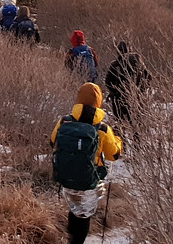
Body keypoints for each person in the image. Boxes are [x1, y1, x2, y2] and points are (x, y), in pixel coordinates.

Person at [50, 82, 123, 244]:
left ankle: (72, 238)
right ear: (99, 102)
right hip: (90, 179)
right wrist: (118, 139)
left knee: (75, 209)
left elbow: (52, 142)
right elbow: (113, 156)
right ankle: (76, 241)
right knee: (84, 215)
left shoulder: (64, 121)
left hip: (66, 176)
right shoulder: (103, 129)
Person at [104, 41, 152, 124]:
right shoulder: (138, 62)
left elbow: (108, 82)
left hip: (119, 100)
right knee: (137, 125)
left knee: (120, 125)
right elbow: (148, 77)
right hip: (137, 98)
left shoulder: (115, 64)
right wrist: (141, 90)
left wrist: (115, 92)